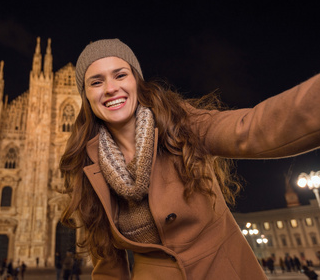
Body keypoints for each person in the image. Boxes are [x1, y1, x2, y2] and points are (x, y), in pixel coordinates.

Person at [59, 38, 320, 280]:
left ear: (137, 81)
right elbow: (107, 265)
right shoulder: (88, 166)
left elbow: (251, 129)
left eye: (120, 75)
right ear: (86, 96)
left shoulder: (181, 124)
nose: (111, 88)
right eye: (96, 82)